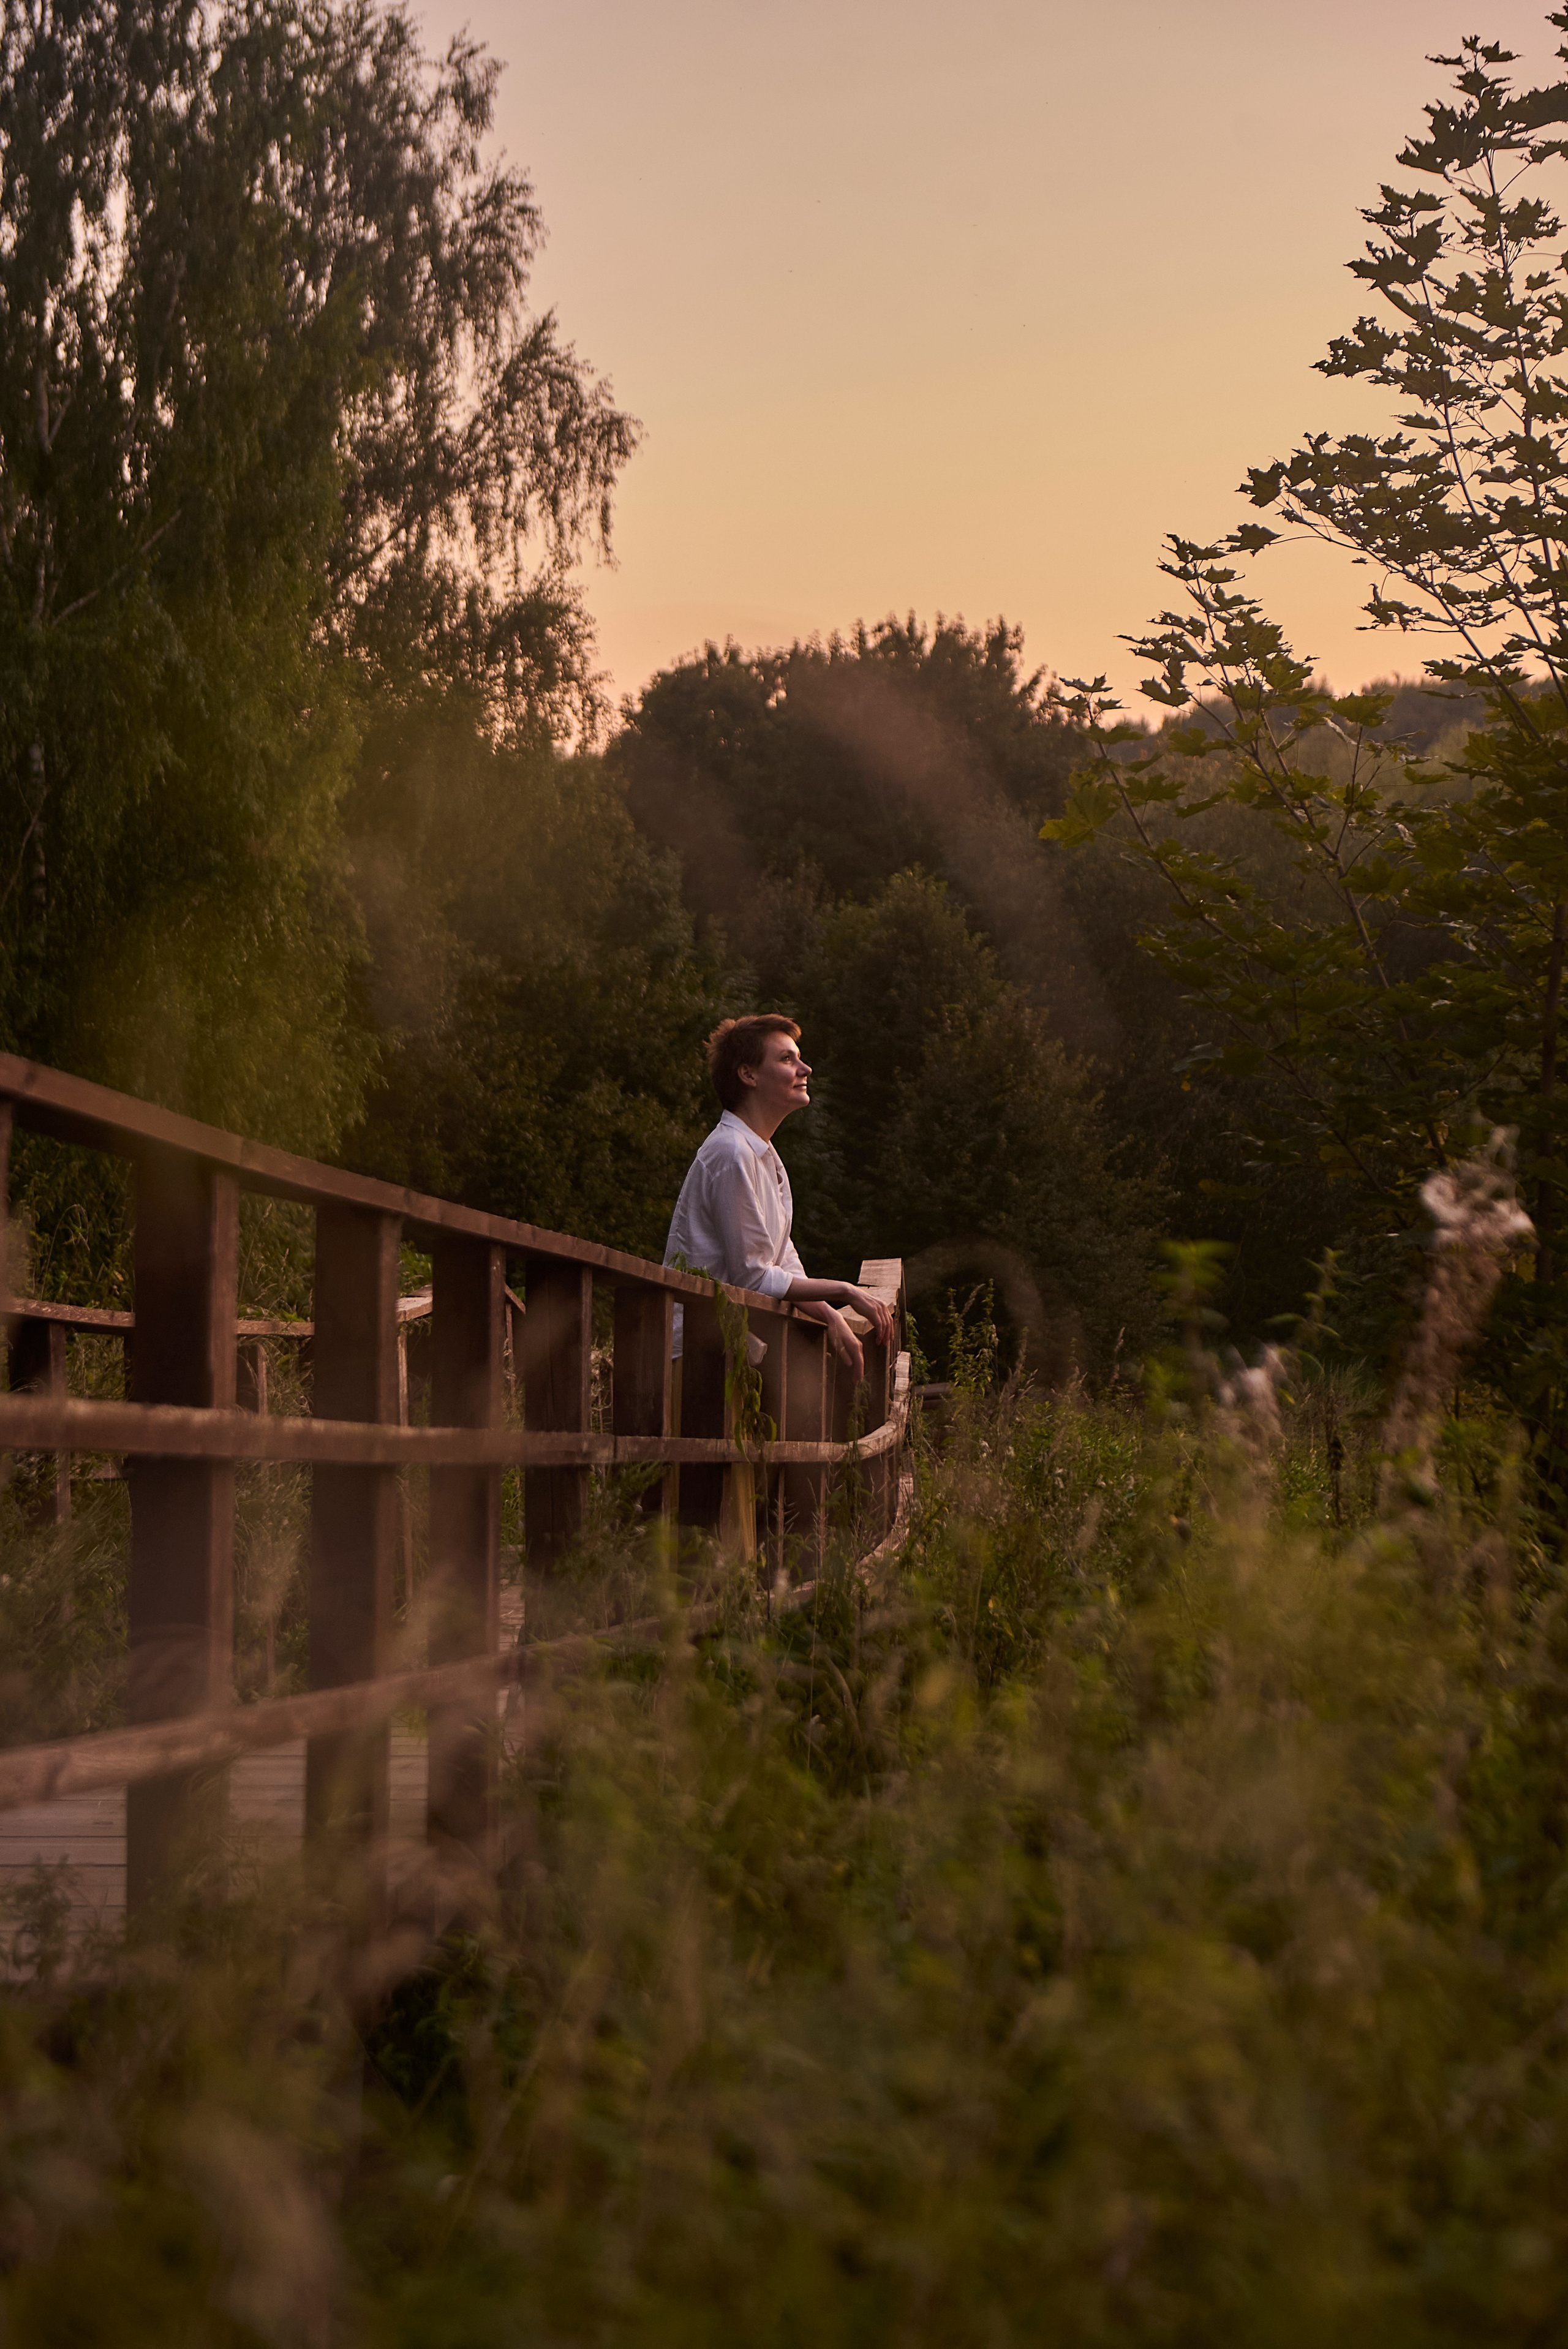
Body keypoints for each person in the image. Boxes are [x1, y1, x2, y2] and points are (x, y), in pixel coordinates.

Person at [665, 1014, 894, 1378]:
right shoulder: (731, 1153)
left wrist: (829, 1314)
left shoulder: (764, 1156)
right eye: (787, 1059)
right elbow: (753, 1276)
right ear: (748, 1075)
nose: (806, 1068)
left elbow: (783, 1263)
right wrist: (847, 1293)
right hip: (691, 1363)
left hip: (727, 1355)